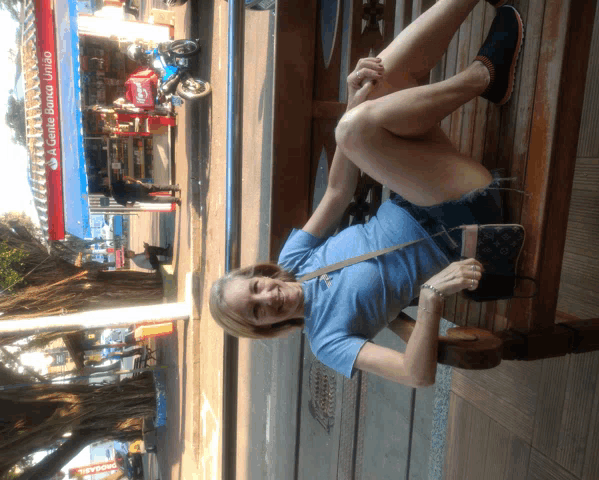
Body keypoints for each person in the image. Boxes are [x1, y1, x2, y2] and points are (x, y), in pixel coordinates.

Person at [209, 0, 523, 387]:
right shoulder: (327, 341)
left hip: (421, 189)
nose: (268, 298)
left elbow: (338, 191)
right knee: (353, 130)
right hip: (459, 224)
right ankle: (480, 78)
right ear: (265, 328)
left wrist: (351, 104)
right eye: (257, 312)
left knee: (373, 83)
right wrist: (429, 296)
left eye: (256, 289)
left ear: (258, 275)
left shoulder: (292, 260)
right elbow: (415, 374)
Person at [107, 176, 181, 207]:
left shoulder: (117, 200)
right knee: (158, 187)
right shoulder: (115, 185)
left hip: (140, 197)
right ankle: (176, 187)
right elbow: (126, 177)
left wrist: (134, 200)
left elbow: (129, 206)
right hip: (139, 187)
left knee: (157, 199)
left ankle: (176, 200)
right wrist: (135, 181)